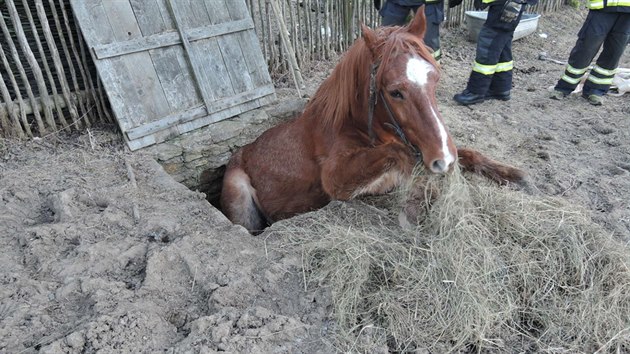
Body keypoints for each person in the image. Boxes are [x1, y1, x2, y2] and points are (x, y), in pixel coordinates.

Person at [453, 0, 538, 105]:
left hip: (507, 3)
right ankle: (500, 88)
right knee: (501, 43)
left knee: (489, 42)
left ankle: (476, 91)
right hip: (511, 4)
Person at [550, 1, 629, 106]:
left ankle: (596, 90)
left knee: (614, 52)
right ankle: (564, 87)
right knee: (587, 47)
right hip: (602, 7)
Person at [377, 0, 463, 61]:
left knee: (430, 45)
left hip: (430, 3)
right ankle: (382, 72)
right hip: (397, 2)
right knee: (386, 39)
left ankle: (430, 74)